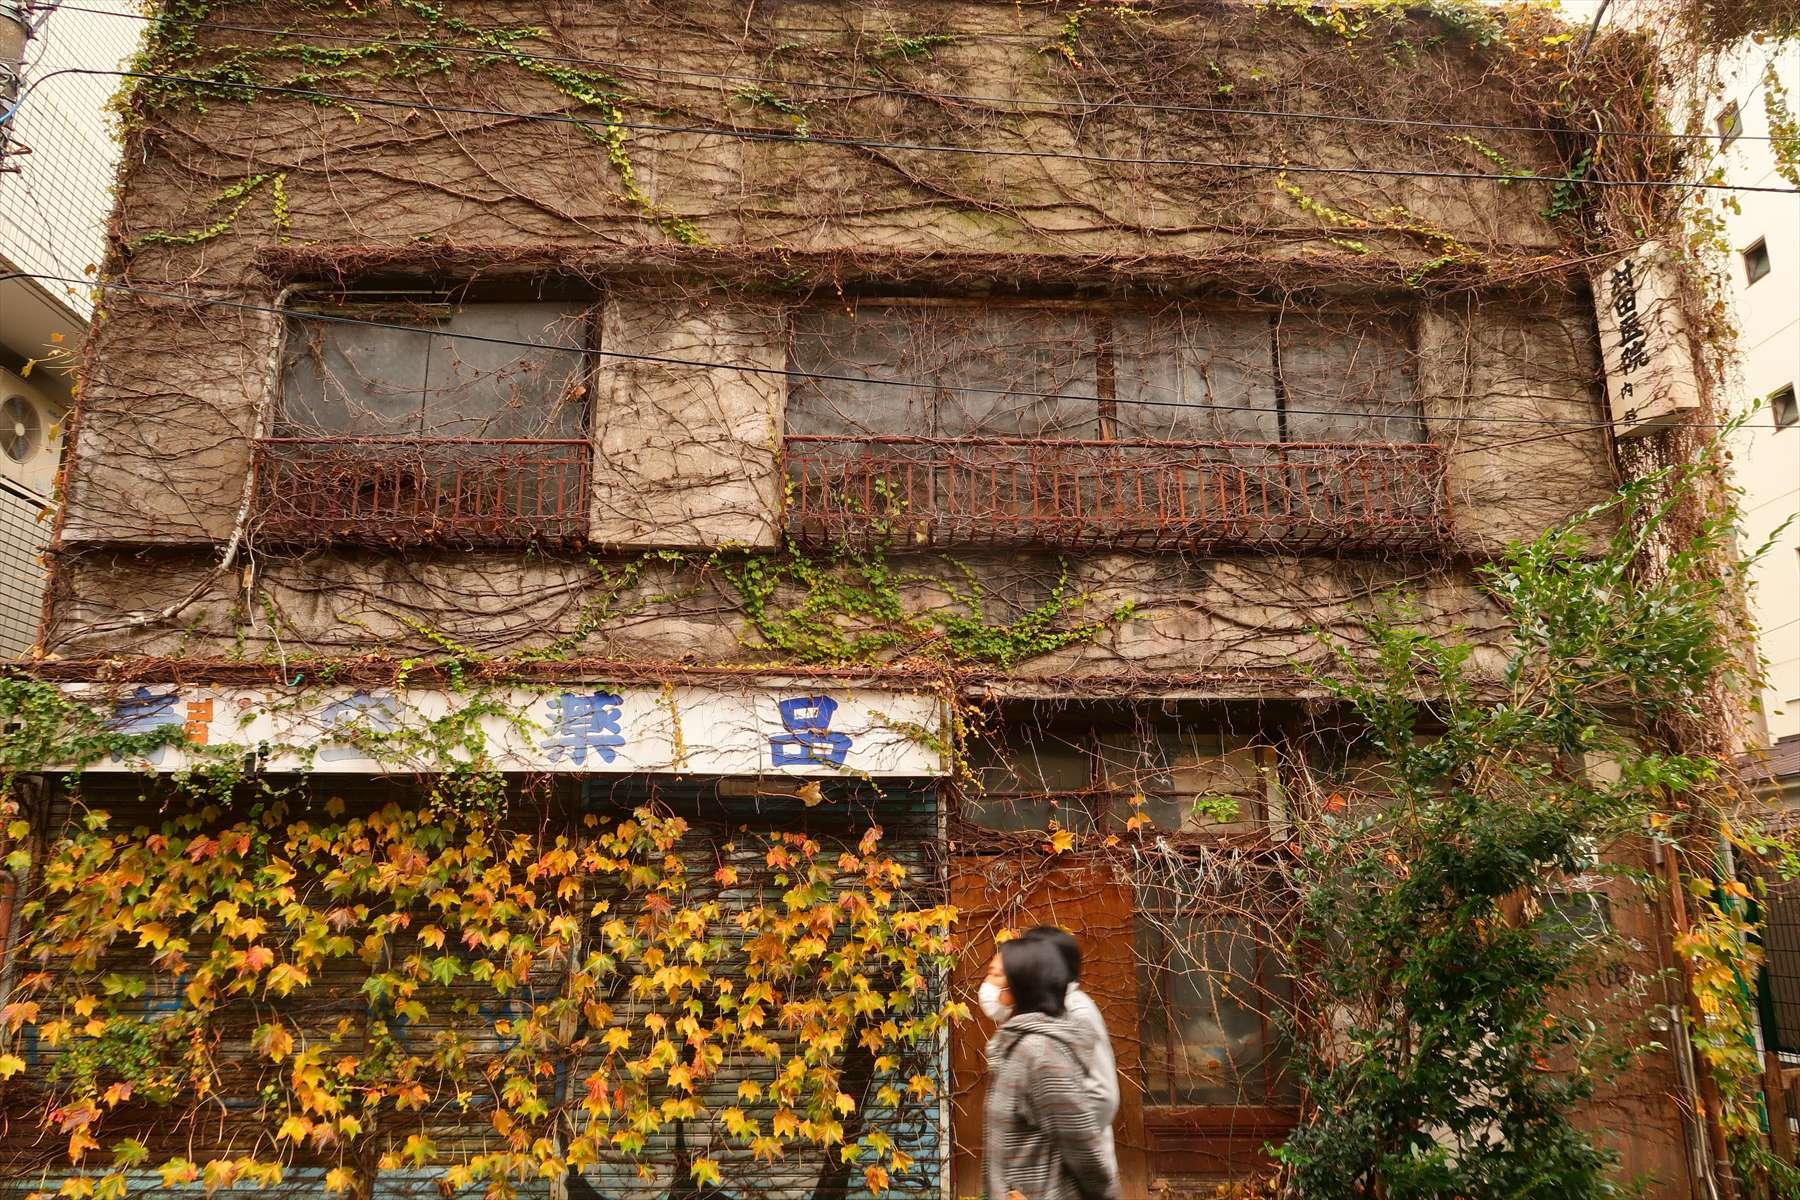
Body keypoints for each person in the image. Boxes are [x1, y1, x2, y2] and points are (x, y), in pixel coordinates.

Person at [980, 937, 1122, 1200]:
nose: (988, 984)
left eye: (997, 975)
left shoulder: (1040, 1053)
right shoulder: (1016, 1043)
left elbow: (1080, 1143)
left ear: (1020, 984)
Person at [1021, 925, 1120, 1179]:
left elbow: (1103, 1095)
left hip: (1077, 1172)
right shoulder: (1048, 1009)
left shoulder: (1077, 1011)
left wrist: (1065, 1148)